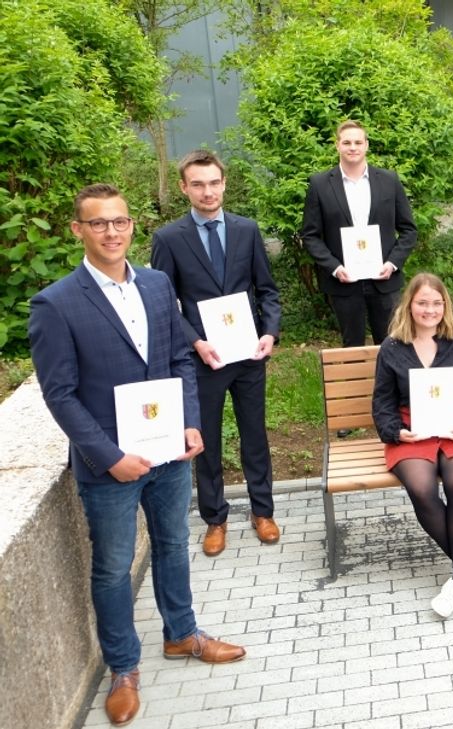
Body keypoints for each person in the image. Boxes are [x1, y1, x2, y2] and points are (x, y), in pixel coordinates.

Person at [28, 184, 245, 727]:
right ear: (78, 230)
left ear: (131, 226)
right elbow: (60, 394)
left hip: (169, 453)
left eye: (120, 222)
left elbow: (178, 356)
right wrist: (107, 455)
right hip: (112, 466)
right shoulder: (55, 303)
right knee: (112, 568)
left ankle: (182, 635)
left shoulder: (155, 283)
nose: (111, 232)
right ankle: (123, 668)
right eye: (98, 224)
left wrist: (191, 422)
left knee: (173, 544)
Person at [151, 150, 282, 556]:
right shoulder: (169, 239)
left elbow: (268, 291)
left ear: (224, 183)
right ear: (184, 188)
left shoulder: (246, 230)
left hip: (247, 356)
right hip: (202, 360)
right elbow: (164, 302)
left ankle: (263, 511)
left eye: (214, 183)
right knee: (205, 441)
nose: (208, 191)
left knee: (254, 436)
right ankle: (215, 518)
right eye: (198, 184)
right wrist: (194, 341)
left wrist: (270, 333)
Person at [372, 273, 453, 619]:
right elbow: (382, 401)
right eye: (423, 302)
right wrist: (395, 431)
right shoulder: (392, 348)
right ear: (410, 305)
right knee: (421, 487)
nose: (430, 309)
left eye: (437, 303)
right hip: (412, 428)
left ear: (445, 307)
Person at [301, 120, 418, 348]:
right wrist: (334, 268)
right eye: (347, 142)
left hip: (384, 279)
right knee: (351, 346)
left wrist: (393, 263)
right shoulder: (320, 184)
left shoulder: (389, 180)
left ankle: (389, 385)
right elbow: (310, 235)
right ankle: (356, 385)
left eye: (357, 142)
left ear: (366, 145)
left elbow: (409, 230)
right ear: (337, 146)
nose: (352, 147)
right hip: (343, 281)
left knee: (392, 345)